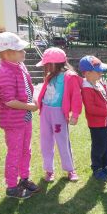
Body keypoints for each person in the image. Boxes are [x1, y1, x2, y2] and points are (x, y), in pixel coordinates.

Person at [0, 32, 40, 199]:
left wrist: (33, 101)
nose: (24, 52)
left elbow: (28, 88)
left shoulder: (19, 65)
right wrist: (30, 106)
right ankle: (12, 186)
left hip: (25, 118)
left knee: (25, 150)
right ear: (6, 53)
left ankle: (24, 179)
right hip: (13, 121)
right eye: (19, 49)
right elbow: (8, 100)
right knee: (15, 151)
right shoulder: (6, 71)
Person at [36, 47, 82, 182]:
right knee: (46, 141)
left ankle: (70, 169)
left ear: (54, 64)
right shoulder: (50, 76)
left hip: (59, 114)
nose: (45, 67)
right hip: (45, 112)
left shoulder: (70, 76)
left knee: (62, 141)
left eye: (47, 64)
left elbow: (76, 97)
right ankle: (49, 170)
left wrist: (75, 114)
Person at [79, 55, 107, 181]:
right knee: (99, 146)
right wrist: (106, 111)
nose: (101, 72)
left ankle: (106, 165)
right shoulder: (87, 88)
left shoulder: (99, 82)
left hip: (105, 121)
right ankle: (97, 168)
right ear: (87, 73)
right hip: (96, 124)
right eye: (98, 71)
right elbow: (90, 108)